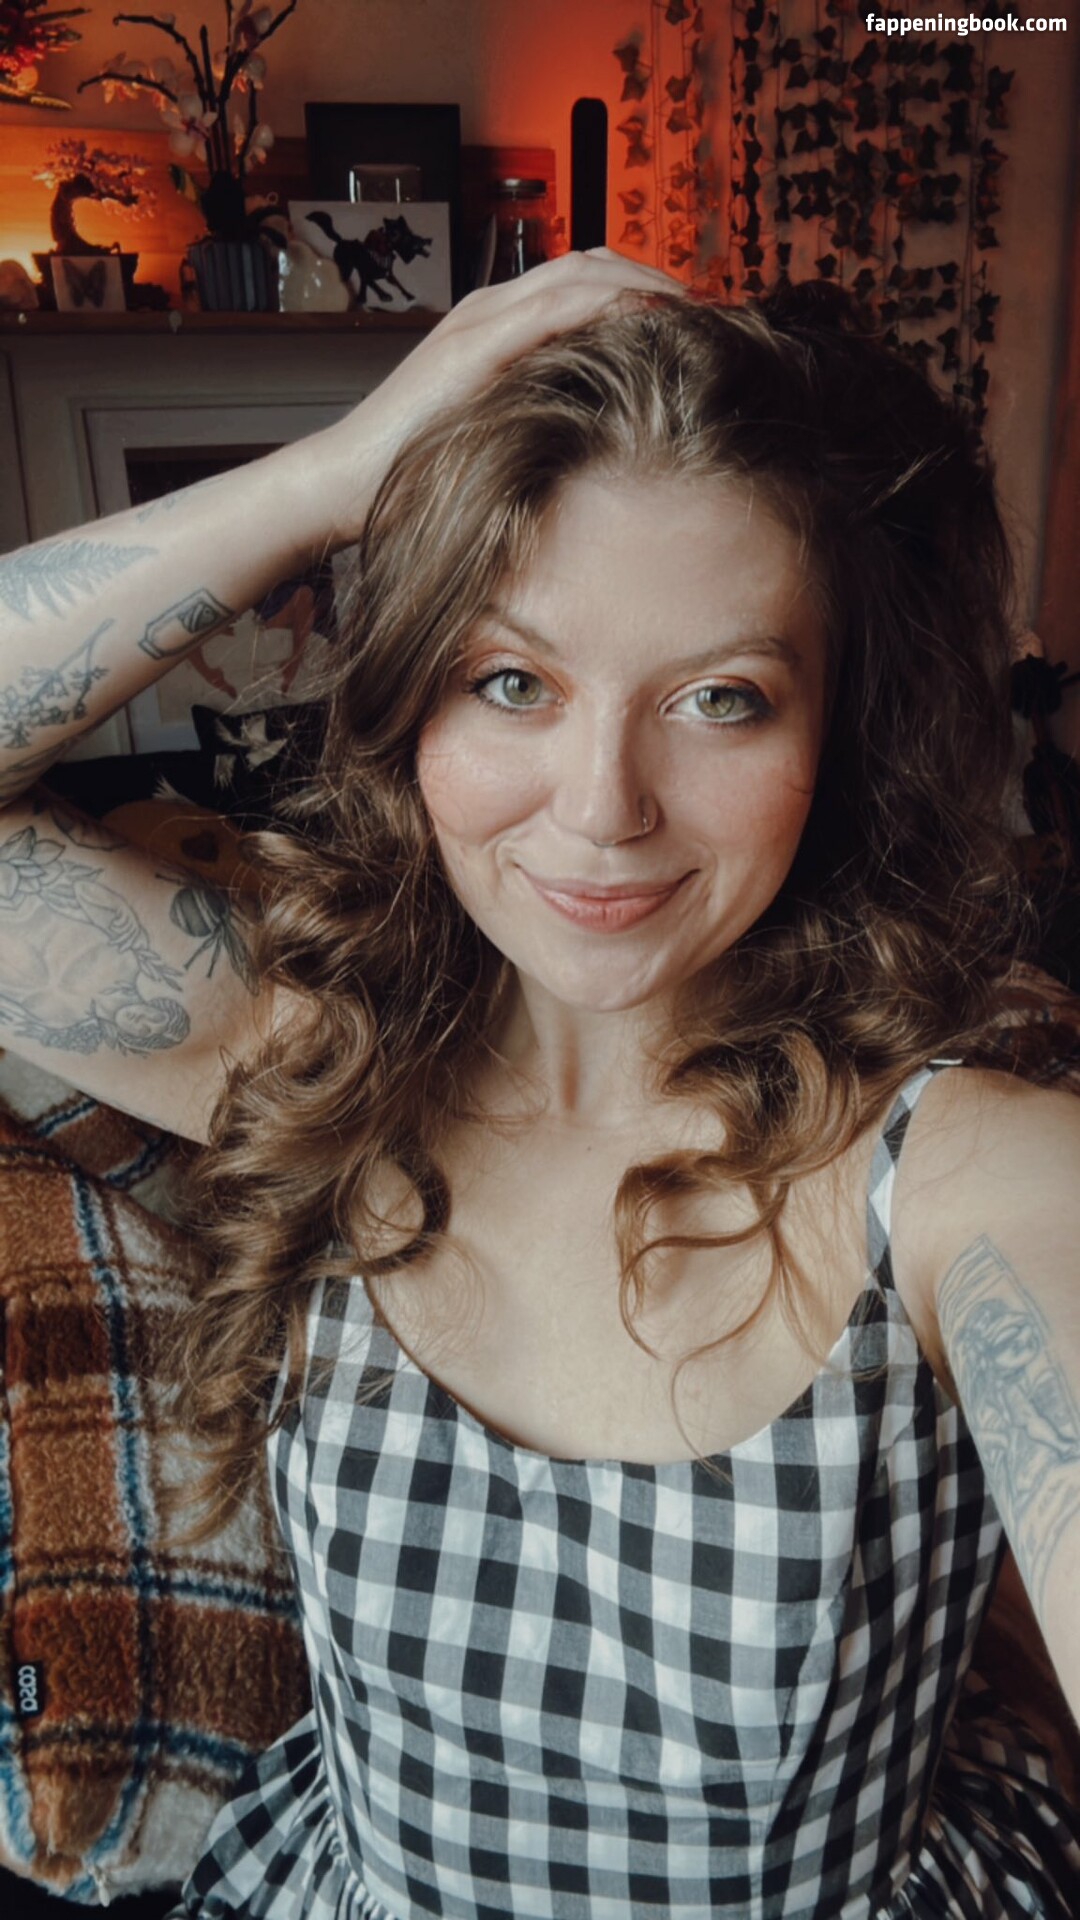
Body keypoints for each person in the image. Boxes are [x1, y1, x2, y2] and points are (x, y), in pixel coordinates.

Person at [1, 250, 1078, 1919]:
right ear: (413, 699)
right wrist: (334, 477)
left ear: (839, 738)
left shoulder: (970, 1183)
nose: (601, 807)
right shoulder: (305, 1068)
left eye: (721, 699)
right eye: (513, 680)